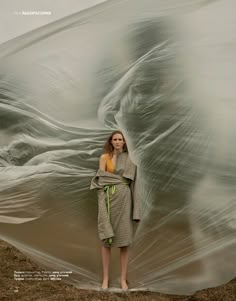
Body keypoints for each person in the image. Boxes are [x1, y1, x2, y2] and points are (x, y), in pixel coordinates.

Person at [90, 130, 141, 291]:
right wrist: (101, 200)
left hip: (125, 200)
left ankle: (123, 280)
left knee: (124, 242)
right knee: (106, 241)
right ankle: (105, 279)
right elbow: (101, 180)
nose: (118, 142)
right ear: (111, 141)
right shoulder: (104, 158)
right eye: (115, 139)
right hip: (108, 200)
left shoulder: (131, 159)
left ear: (125, 142)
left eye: (120, 139)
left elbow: (135, 185)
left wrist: (136, 212)